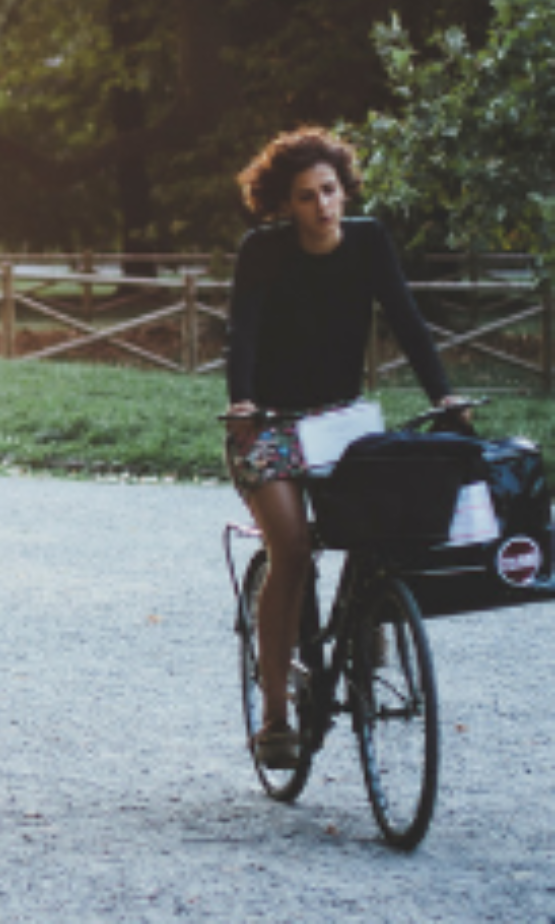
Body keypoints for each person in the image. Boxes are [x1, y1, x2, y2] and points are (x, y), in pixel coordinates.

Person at [223, 127, 472, 770]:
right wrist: (243, 402)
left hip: (339, 423)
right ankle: (276, 712)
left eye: (330, 191)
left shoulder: (368, 241)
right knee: (294, 548)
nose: (322, 206)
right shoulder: (264, 251)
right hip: (271, 426)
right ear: (285, 204)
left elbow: (407, 320)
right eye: (306, 196)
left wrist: (444, 398)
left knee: (383, 524)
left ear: (344, 189)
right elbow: (242, 334)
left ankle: (369, 622)